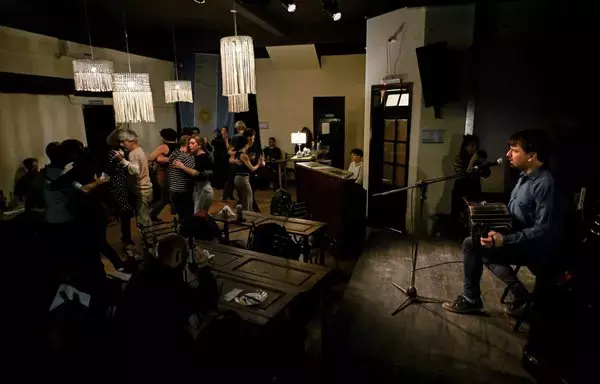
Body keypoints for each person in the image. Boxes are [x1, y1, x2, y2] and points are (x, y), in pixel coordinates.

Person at [443, 130, 564, 315]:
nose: (508, 154)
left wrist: (504, 240)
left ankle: (477, 299)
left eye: (514, 150)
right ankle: (519, 297)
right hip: (517, 238)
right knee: (476, 242)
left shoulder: (545, 184)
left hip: (532, 247)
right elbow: (515, 213)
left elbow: (544, 230)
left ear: (531, 156)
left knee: (475, 246)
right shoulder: (523, 177)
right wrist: (488, 214)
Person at [114, 234, 215, 373]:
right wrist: (203, 268)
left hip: (129, 351)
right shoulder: (170, 285)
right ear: (178, 256)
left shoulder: (142, 275)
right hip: (160, 357)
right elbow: (206, 299)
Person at [115, 128, 153, 229]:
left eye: (123, 142)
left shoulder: (133, 153)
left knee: (143, 219)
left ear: (131, 141)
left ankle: (149, 243)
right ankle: (149, 240)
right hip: (146, 187)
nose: (121, 145)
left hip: (142, 189)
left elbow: (136, 170)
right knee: (145, 217)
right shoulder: (139, 150)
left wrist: (122, 160)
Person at [450, 134, 490, 225]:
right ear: (465, 147)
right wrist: (472, 162)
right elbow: (464, 174)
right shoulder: (459, 158)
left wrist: (483, 164)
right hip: (461, 189)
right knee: (459, 216)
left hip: (474, 189)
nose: (474, 148)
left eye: (476, 145)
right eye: (472, 145)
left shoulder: (478, 158)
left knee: (474, 214)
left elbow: (486, 174)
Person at [105, 129, 134, 246]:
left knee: (127, 212)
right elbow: (109, 170)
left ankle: (126, 237)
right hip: (118, 185)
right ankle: (126, 238)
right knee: (124, 212)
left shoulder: (123, 151)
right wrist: (118, 160)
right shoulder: (112, 153)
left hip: (125, 184)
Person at [173, 135, 214, 214]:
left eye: (192, 143)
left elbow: (198, 174)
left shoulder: (202, 157)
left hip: (203, 190)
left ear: (199, 145)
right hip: (199, 189)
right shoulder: (197, 156)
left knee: (199, 216)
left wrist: (182, 167)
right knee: (199, 215)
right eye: (189, 143)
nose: (189, 145)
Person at [148, 128, 179, 222]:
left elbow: (150, 158)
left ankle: (152, 215)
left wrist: (159, 158)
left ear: (164, 138)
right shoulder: (180, 146)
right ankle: (154, 214)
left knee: (166, 197)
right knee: (169, 197)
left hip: (166, 174)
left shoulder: (164, 147)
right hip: (177, 173)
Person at [232, 129, 265, 211]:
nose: (251, 141)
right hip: (243, 178)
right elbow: (252, 168)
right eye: (250, 139)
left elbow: (261, 159)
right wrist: (258, 163)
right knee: (247, 200)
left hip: (245, 177)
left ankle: (246, 214)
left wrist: (262, 162)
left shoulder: (254, 148)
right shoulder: (243, 154)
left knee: (246, 199)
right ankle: (250, 216)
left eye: (253, 139)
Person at [168, 135, 195, 222]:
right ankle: (186, 234)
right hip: (183, 191)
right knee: (187, 216)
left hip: (174, 190)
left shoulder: (174, 154)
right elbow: (196, 173)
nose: (192, 146)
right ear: (187, 144)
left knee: (181, 215)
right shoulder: (185, 157)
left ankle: (181, 232)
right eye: (190, 143)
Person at [223, 121, 247, 200]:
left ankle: (226, 196)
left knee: (231, 179)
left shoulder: (235, 137)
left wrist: (226, 140)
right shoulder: (247, 136)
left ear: (237, 127)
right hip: (244, 159)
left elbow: (229, 149)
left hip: (235, 159)